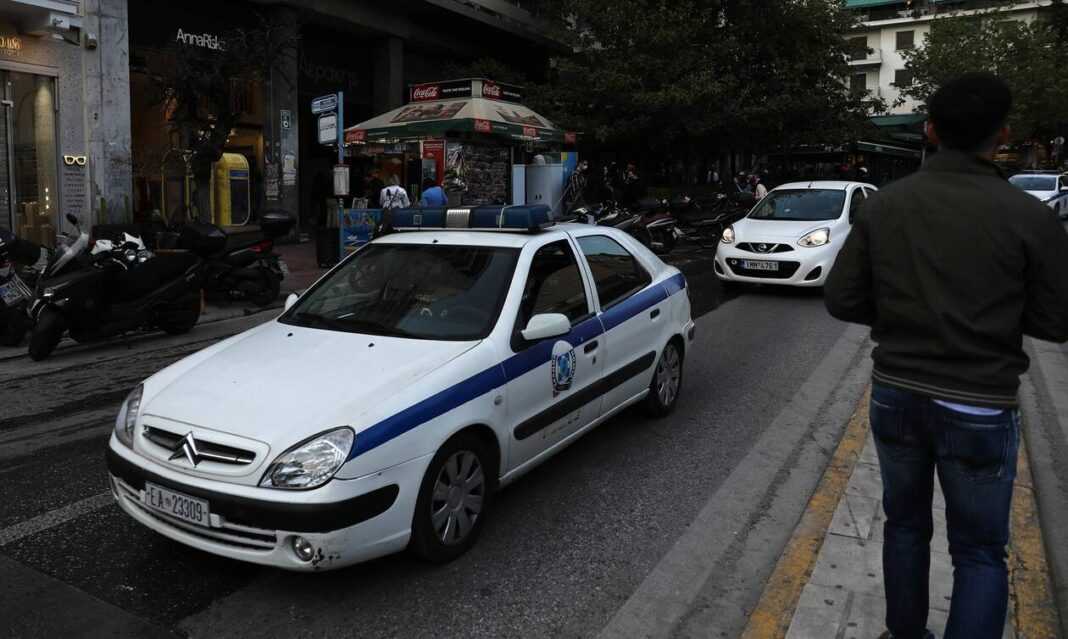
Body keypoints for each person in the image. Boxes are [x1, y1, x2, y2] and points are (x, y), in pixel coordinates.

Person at [825, 73, 1068, 639]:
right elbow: (1057, 320)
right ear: (1002, 135)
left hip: (898, 394)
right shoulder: (1029, 216)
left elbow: (841, 299)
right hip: (981, 403)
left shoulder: (887, 205)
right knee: (980, 551)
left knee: (904, 527)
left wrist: (901, 316)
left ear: (930, 131)